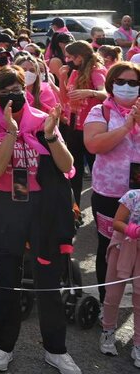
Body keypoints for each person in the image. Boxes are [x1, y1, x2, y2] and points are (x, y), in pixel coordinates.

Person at [0, 68, 78, 374]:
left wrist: (50, 135)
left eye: (17, 88)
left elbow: (67, 164)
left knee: (49, 280)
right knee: (7, 278)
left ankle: (56, 350)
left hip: (43, 207)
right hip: (6, 206)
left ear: (26, 88)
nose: (12, 95)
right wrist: (9, 131)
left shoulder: (42, 117)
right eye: (4, 92)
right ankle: (3, 347)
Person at [83, 60, 140, 311]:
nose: (127, 87)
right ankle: (107, 305)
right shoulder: (100, 111)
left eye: (133, 83)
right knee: (108, 248)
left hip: (138, 195)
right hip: (110, 194)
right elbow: (94, 145)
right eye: (121, 82)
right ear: (111, 83)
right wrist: (127, 126)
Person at [58, 41, 107, 209]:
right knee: (74, 171)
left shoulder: (96, 71)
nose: (67, 60)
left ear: (80, 57)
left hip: (93, 128)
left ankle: (102, 209)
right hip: (74, 127)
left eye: (70, 57)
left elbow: (106, 94)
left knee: (97, 171)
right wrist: (62, 77)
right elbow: (65, 99)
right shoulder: (74, 72)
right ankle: (75, 210)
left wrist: (90, 92)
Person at [99, 185, 140, 362]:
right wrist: (133, 230)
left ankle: (138, 343)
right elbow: (117, 222)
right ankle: (108, 332)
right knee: (113, 294)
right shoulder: (132, 196)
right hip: (122, 247)